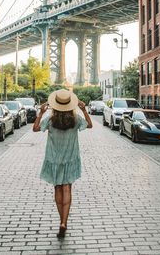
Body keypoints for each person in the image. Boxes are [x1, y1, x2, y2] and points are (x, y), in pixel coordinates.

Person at [33, 89, 92, 238]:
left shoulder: (50, 120)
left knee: (57, 189)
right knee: (67, 189)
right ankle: (64, 222)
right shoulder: (76, 119)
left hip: (54, 159)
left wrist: (41, 112)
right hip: (70, 159)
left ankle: (61, 221)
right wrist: (84, 110)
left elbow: (35, 128)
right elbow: (90, 125)